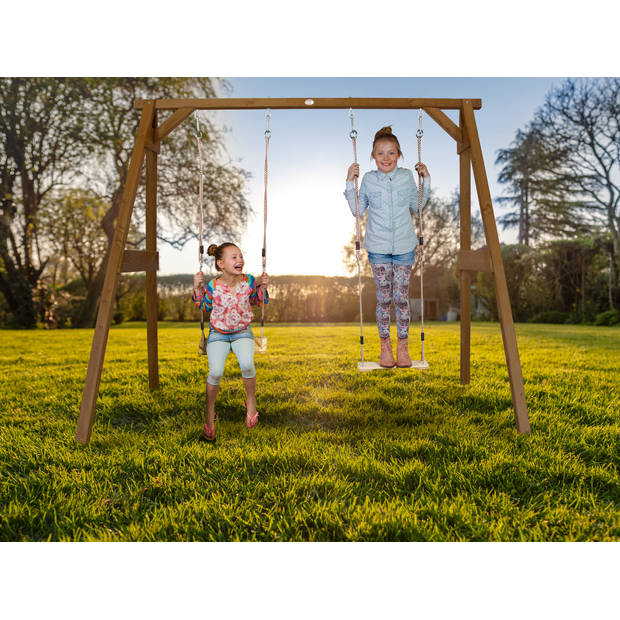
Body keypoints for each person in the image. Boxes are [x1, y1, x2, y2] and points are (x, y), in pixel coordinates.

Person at [344, 126, 431, 368]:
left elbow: (418, 205)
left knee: (401, 298)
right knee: (384, 299)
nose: (385, 158)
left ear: (399, 154)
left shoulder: (406, 176)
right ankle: (386, 348)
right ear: (373, 156)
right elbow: (357, 210)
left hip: (404, 246)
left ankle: (403, 348)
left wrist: (426, 179)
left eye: (391, 153)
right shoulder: (369, 180)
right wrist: (350, 182)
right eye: (380, 153)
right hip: (378, 248)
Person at [192, 242, 269, 442]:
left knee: (247, 365)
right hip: (218, 333)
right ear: (221, 264)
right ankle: (209, 414)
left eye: (240, 256)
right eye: (233, 257)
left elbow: (258, 300)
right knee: (215, 372)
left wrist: (263, 287)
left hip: (242, 331)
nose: (239, 260)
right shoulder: (213, 286)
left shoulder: (249, 281)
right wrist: (197, 287)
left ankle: (250, 401)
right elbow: (202, 305)